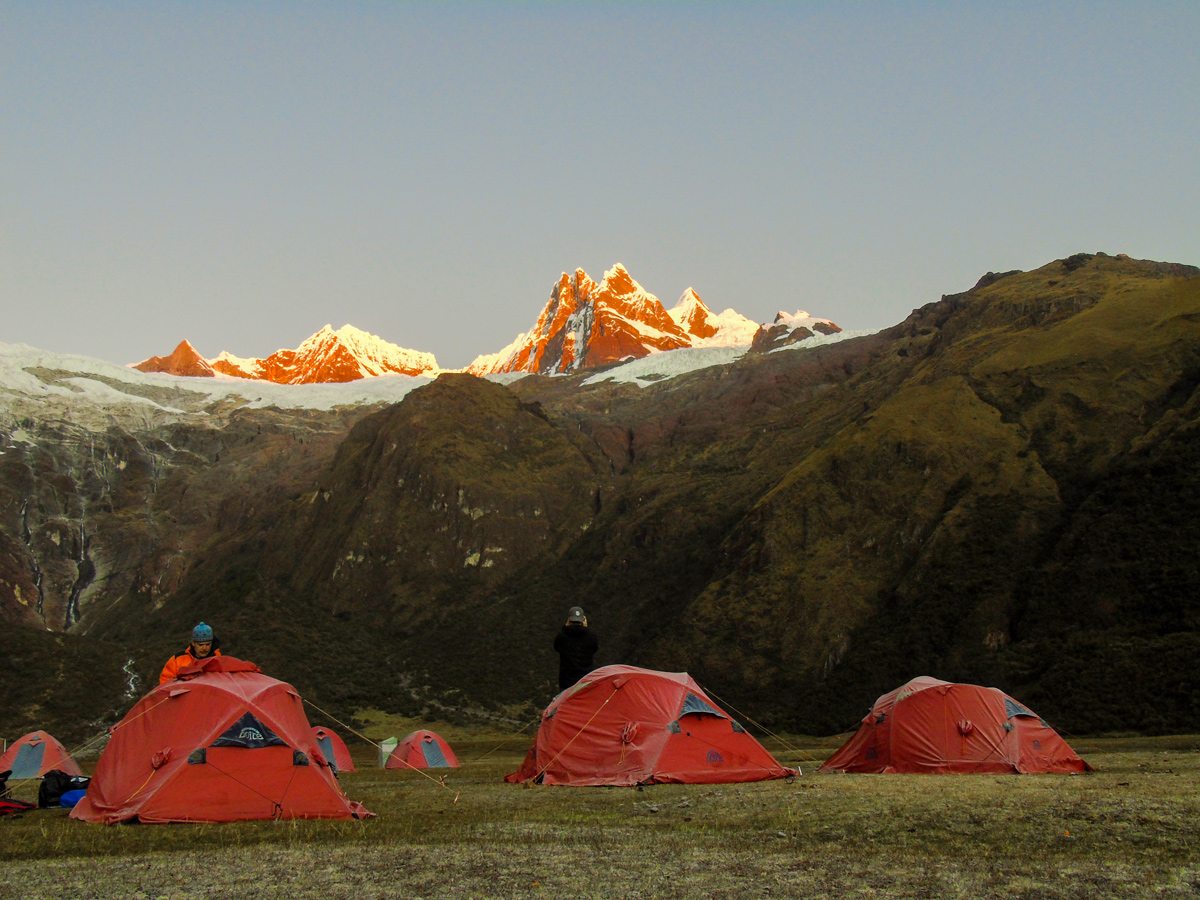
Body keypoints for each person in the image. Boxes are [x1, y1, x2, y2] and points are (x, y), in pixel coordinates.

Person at [553, 606, 598, 691]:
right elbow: (595, 649)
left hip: (566, 682)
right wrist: (586, 629)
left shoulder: (562, 636)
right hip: (585, 681)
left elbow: (556, 647)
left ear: (569, 620)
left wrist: (565, 628)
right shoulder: (591, 636)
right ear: (583, 620)